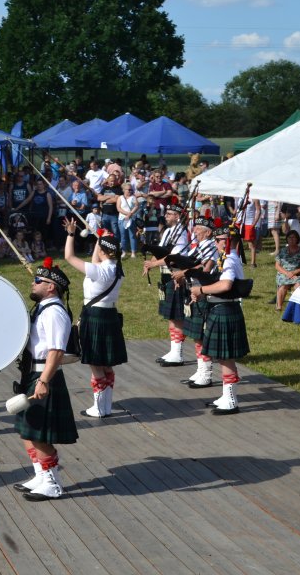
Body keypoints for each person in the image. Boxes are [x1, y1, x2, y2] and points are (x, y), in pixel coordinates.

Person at [12, 260, 78, 500]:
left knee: (39, 433)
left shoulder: (54, 313)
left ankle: (53, 484)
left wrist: (44, 381)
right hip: (31, 373)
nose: (34, 282)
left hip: (43, 375)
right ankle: (41, 475)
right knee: (28, 432)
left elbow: (56, 351)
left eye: (39, 280)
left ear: (51, 287)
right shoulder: (41, 309)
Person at [63, 219, 127, 418]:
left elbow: (69, 256)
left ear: (102, 251)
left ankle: (99, 408)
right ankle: (105, 406)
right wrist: (101, 240)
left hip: (95, 315)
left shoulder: (99, 270)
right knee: (106, 364)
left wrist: (71, 234)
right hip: (109, 315)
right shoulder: (117, 270)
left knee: (95, 364)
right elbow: (96, 259)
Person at [190, 225, 250, 415]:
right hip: (220, 308)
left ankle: (231, 400)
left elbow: (225, 285)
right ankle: (226, 396)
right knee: (223, 357)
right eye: (216, 240)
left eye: (220, 240)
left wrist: (201, 290)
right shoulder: (224, 259)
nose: (216, 243)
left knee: (226, 358)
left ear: (229, 241)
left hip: (225, 309)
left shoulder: (230, 260)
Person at [142, 200, 190, 366]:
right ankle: (173, 350)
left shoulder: (182, 233)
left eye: (169, 214)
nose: (166, 216)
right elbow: (161, 252)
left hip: (175, 276)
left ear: (177, 217)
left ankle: (178, 353)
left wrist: (154, 264)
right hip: (166, 276)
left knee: (177, 316)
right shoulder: (169, 231)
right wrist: (150, 262)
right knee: (170, 315)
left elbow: (173, 257)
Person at [174, 217, 219, 388]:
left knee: (201, 334)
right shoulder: (199, 247)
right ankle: (201, 369)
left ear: (208, 232)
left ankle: (206, 373)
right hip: (194, 289)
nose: (195, 232)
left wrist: (183, 273)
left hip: (203, 291)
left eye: (198, 229)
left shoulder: (211, 247)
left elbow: (205, 268)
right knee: (196, 334)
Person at [274, 230, 300, 311]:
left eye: (293, 237)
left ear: (297, 239)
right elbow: (277, 265)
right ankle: (279, 307)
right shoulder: (282, 251)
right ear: (287, 239)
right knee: (283, 286)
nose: (291, 239)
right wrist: (287, 273)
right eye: (289, 237)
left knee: (298, 286)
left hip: (298, 273)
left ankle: (297, 308)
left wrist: (295, 272)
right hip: (284, 273)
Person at [116, 183, 139, 258]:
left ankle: (133, 252)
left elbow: (136, 206)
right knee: (123, 236)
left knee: (132, 236)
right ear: (123, 190)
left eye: (131, 189)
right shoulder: (120, 197)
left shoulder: (133, 197)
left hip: (131, 219)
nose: (130, 191)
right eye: (128, 189)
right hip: (122, 218)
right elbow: (118, 208)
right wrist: (127, 214)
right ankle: (124, 251)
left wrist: (130, 214)